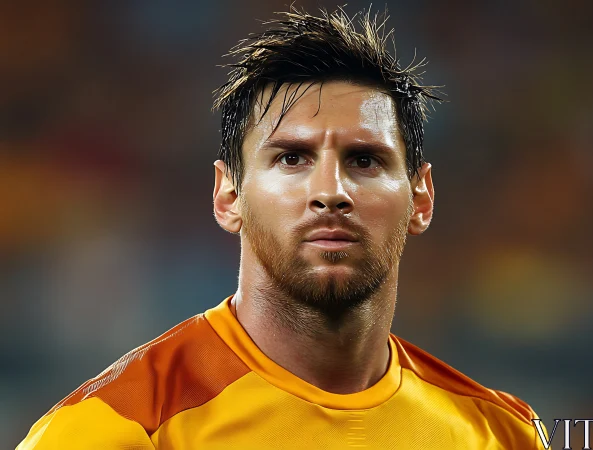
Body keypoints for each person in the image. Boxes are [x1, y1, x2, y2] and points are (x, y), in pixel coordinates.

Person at [18, 7, 546, 449]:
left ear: (421, 199)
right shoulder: (114, 430)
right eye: (292, 158)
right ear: (229, 196)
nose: (331, 191)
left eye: (364, 160)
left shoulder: (502, 434)